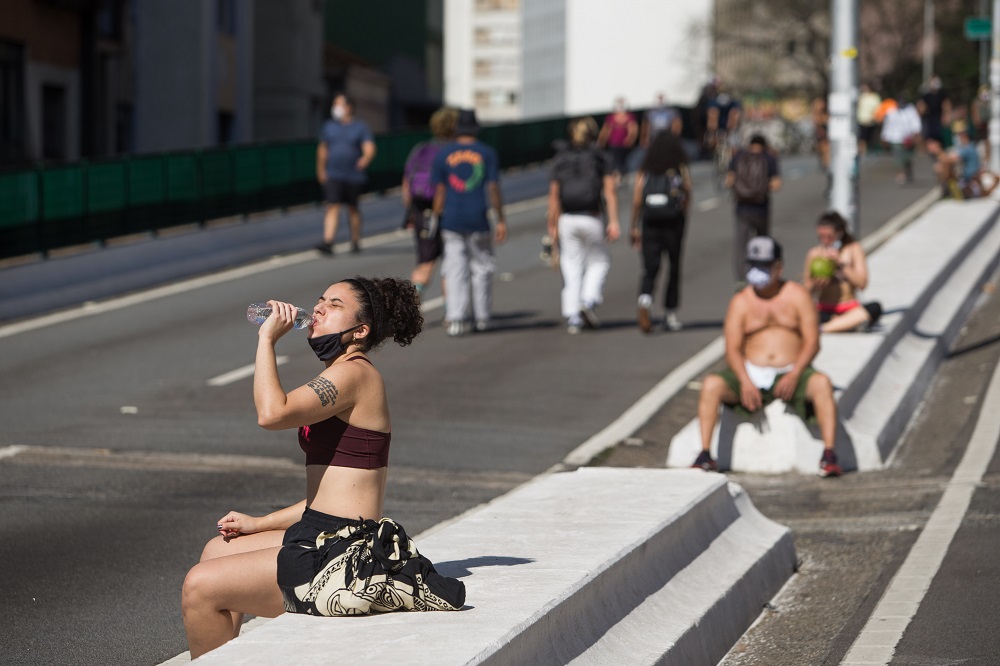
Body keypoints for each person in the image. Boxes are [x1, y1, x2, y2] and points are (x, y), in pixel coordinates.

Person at [181, 277, 465, 658]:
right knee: (216, 551)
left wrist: (266, 340)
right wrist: (260, 523)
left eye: (333, 304)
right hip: (322, 533)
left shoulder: (355, 373)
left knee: (201, 585)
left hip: (345, 555)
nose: (318, 309)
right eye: (319, 300)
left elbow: (271, 413)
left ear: (359, 330)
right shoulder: (340, 372)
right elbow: (327, 499)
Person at [691, 236, 842, 477]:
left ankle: (829, 454)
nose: (757, 271)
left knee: (822, 384)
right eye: (753, 265)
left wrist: (794, 375)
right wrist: (744, 380)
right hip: (751, 372)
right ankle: (705, 454)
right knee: (711, 385)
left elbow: (812, 342)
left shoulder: (797, 295)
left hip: (792, 370)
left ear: (778, 267)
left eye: (764, 265)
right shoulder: (741, 301)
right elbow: (732, 348)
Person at [431, 108, 507, 337]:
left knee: (455, 270)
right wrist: (500, 218)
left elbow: (440, 191)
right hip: (478, 218)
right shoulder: (486, 152)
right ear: (475, 128)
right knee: (482, 267)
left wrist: (436, 216)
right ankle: (483, 317)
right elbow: (492, 187)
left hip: (451, 219)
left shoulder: (443, 154)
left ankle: (456, 319)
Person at [548, 117, 621, 334]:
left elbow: (554, 196)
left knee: (571, 265)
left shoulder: (561, 158)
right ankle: (588, 300)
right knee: (599, 261)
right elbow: (609, 191)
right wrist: (614, 221)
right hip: (591, 215)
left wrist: (551, 223)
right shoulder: (600, 158)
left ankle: (572, 315)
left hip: (567, 218)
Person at [630, 129, 692, 333]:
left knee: (650, 266)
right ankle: (670, 312)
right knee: (674, 266)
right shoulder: (679, 167)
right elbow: (688, 192)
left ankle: (645, 299)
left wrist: (634, 226)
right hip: (673, 222)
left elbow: (638, 198)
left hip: (650, 221)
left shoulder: (647, 167)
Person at [402, 106, 458, 298]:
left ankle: (410, 307)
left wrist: (410, 212)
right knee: (452, 264)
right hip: (449, 211)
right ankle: (451, 314)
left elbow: (407, 182)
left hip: (421, 211)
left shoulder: (421, 149)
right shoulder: (455, 152)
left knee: (425, 261)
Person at [315, 94, 376, 255]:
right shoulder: (329, 126)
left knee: (352, 208)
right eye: (335, 103)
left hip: (353, 175)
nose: (336, 107)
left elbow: (369, 146)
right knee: (332, 205)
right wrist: (321, 169)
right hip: (333, 173)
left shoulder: (360, 127)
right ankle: (328, 241)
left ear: (349, 107)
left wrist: (366, 159)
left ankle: (355, 240)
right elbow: (322, 149)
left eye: (339, 104)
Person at [803, 211, 882, 333]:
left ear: (839, 233)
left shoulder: (853, 249)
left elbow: (862, 284)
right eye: (821, 237)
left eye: (829, 237)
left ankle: (826, 327)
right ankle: (844, 324)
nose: (825, 241)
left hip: (848, 306)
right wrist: (816, 284)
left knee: (875, 308)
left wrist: (841, 265)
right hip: (824, 307)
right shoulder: (814, 253)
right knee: (805, 313)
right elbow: (807, 289)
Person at [726, 133, 782, 281]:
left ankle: (741, 279)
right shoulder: (769, 158)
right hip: (761, 208)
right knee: (763, 242)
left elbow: (729, 181)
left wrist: (742, 188)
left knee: (741, 245)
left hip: (742, 208)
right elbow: (776, 185)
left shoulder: (739, 156)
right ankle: (763, 274)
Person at [936, 121, 999, 200]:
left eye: (957, 134)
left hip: (971, 180)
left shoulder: (968, 148)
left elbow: (950, 159)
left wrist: (938, 152)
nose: (957, 137)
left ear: (963, 134)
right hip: (968, 180)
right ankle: (948, 190)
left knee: (942, 166)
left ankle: (947, 191)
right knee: (942, 166)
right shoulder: (964, 147)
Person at [879, 95, 922, 185]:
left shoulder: (910, 111)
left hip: (908, 138)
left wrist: (916, 135)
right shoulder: (891, 112)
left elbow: (915, 123)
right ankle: (900, 174)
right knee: (898, 157)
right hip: (896, 138)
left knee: (907, 157)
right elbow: (887, 125)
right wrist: (884, 137)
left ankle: (908, 169)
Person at [597, 97, 639, 185]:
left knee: (624, 161)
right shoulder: (611, 117)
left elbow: (633, 129)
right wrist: (601, 141)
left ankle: (624, 176)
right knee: (614, 161)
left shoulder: (630, 117)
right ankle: (617, 176)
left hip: (624, 145)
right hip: (614, 143)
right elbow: (606, 130)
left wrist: (630, 139)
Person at [917, 75, 951, 158]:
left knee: (938, 138)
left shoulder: (942, 95)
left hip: (938, 119)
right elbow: (921, 107)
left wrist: (946, 116)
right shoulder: (926, 96)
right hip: (929, 120)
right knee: (928, 138)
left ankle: (938, 154)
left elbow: (946, 105)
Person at [856, 83, 882, 157]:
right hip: (861, 121)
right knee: (862, 138)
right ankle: (863, 153)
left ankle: (869, 153)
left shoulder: (875, 97)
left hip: (871, 121)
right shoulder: (861, 97)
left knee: (870, 139)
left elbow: (878, 108)